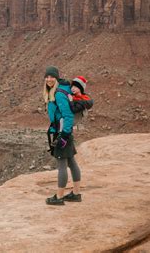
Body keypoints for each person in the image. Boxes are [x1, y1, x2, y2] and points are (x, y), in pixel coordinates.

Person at [43, 66, 82, 205]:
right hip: (65, 132)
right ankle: (76, 193)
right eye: (47, 77)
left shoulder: (58, 94)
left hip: (62, 133)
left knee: (61, 165)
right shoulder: (60, 91)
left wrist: (63, 136)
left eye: (51, 76)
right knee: (71, 162)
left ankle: (59, 197)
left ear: (56, 77)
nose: (49, 79)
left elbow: (67, 115)